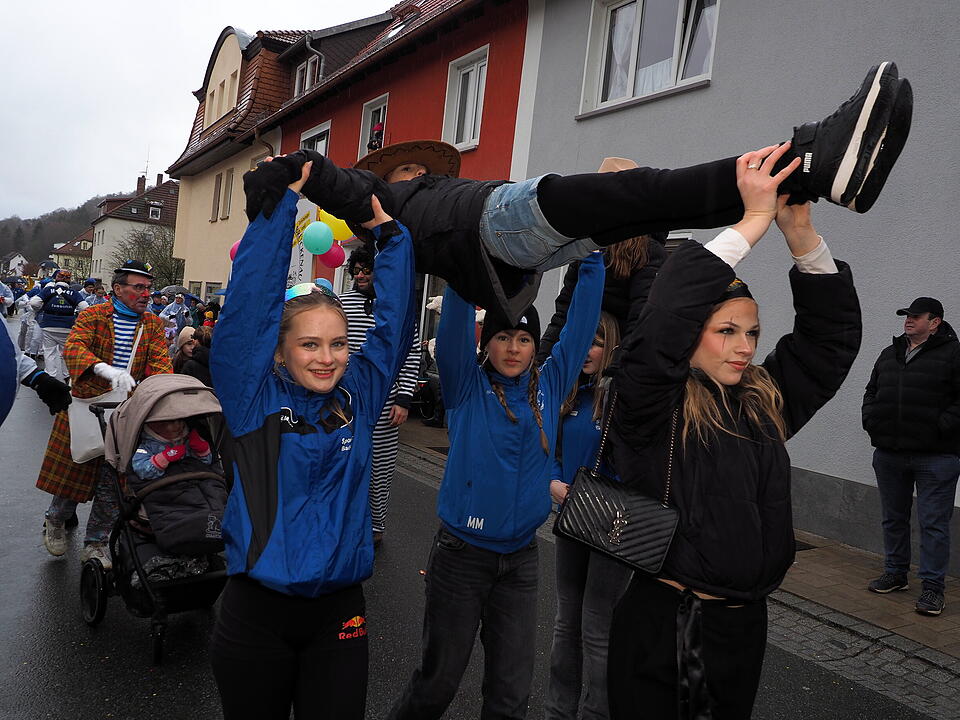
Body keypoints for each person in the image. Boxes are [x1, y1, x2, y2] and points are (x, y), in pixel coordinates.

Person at [243, 63, 911, 325]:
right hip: (499, 226)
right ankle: (806, 154)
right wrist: (301, 165)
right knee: (643, 190)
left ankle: (814, 172)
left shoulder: (422, 205)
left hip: (523, 253)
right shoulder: (389, 209)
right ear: (393, 182)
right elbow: (350, 189)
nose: (415, 171)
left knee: (647, 200)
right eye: (406, 169)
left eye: (419, 168)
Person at [604, 144, 862, 720]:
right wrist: (751, 222)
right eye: (726, 330)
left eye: (752, 332)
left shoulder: (762, 403)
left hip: (742, 628)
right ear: (691, 334)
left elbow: (828, 345)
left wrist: (800, 233)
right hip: (667, 627)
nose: (745, 346)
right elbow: (664, 319)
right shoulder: (650, 402)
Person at [208, 162, 417, 719]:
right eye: (308, 345)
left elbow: (393, 329)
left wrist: (391, 242)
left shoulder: (359, 395)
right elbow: (249, 309)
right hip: (256, 614)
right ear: (280, 351)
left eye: (338, 343)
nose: (327, 358)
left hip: (339, 616)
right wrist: (280, 210)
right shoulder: (250, 399)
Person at [387, 250, 604, 717]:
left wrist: (591, 256)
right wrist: (466, 255)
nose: (513, 347)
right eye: (503, 337)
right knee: (438, 681)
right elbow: (455, 328)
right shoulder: (466, 385)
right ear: (487, 343)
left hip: (521, 561)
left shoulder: (549, 385)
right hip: (461, 558)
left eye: (524, 338)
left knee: (510, 693)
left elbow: (581, 324)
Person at [36, 260, 172, 566]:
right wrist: (103, 369)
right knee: (75, 471)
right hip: (87, 404)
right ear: (118, 289)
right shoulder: (94, 315)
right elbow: (73, 347)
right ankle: (55, 519)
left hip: (126, 411)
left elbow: (162, 363)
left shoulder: (151, 324)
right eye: (139, 287)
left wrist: (163, 390)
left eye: (149, 288)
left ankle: (95, 543)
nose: (146, 294)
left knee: (115, 481)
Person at [544, 311, 632, 720]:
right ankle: (558, 710)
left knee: (597, 626)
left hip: (613, 525)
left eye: (595, 342)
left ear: (610, 346)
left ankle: (595, 713)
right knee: (566, 622)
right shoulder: (570, 394)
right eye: (582, 341)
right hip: (572, 518)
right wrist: (553, 482)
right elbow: (553, 452)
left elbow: (635, 464)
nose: (586, 351)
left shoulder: (620, 398)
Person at [861, 297, 960, 616]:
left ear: (935, 322)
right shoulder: (889, 354)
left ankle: (932, 588)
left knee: (933, 523)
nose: (908, 320)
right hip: (890, 453)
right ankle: (896, 573)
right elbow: (871, 392)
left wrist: (939, 428)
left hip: (936, 457)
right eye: (906, 315)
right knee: (893, 518)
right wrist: (871, 419)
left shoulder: (954, 355)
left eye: (916, 316)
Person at [341, 246, 421, 544]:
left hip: (387, 402)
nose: (361, 275)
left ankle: (375, 526)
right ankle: (346, 521)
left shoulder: (397, 307)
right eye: (357, 270)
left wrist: (403, 399)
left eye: (367, 269)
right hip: (347, 401)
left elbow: (411, 353)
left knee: (381, 467)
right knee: (345, 461)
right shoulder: (341, 304)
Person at [29, 269, 88, 382]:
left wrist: (41, 309)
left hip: (48, 325)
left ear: (56, 278)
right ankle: (66, 376)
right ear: (69, 280)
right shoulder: (74, 293)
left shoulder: (48, 290)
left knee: (49, 352)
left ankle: (51, 376)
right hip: (67, 326)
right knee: (65, 352)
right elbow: (85, 308)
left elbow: (34, 303)